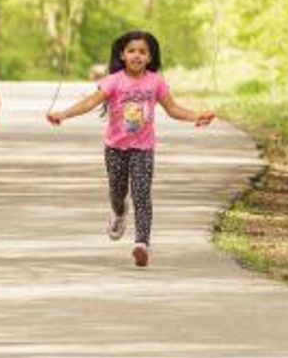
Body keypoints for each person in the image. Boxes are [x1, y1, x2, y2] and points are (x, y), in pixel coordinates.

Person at [46, 30, 214, 267]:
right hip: (115, 148)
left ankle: (142, 243)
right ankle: (118, 212)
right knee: (117, 192)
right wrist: (63, 114)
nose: (137, 55)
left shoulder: (156, 82)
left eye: (142, 52)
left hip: (143, 149)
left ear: (150, 58)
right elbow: (89, 103)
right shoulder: (113, 81)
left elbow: (173, 109)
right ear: (122, 55)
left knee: (142, 194)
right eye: (131, 51)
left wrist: (197, 116)